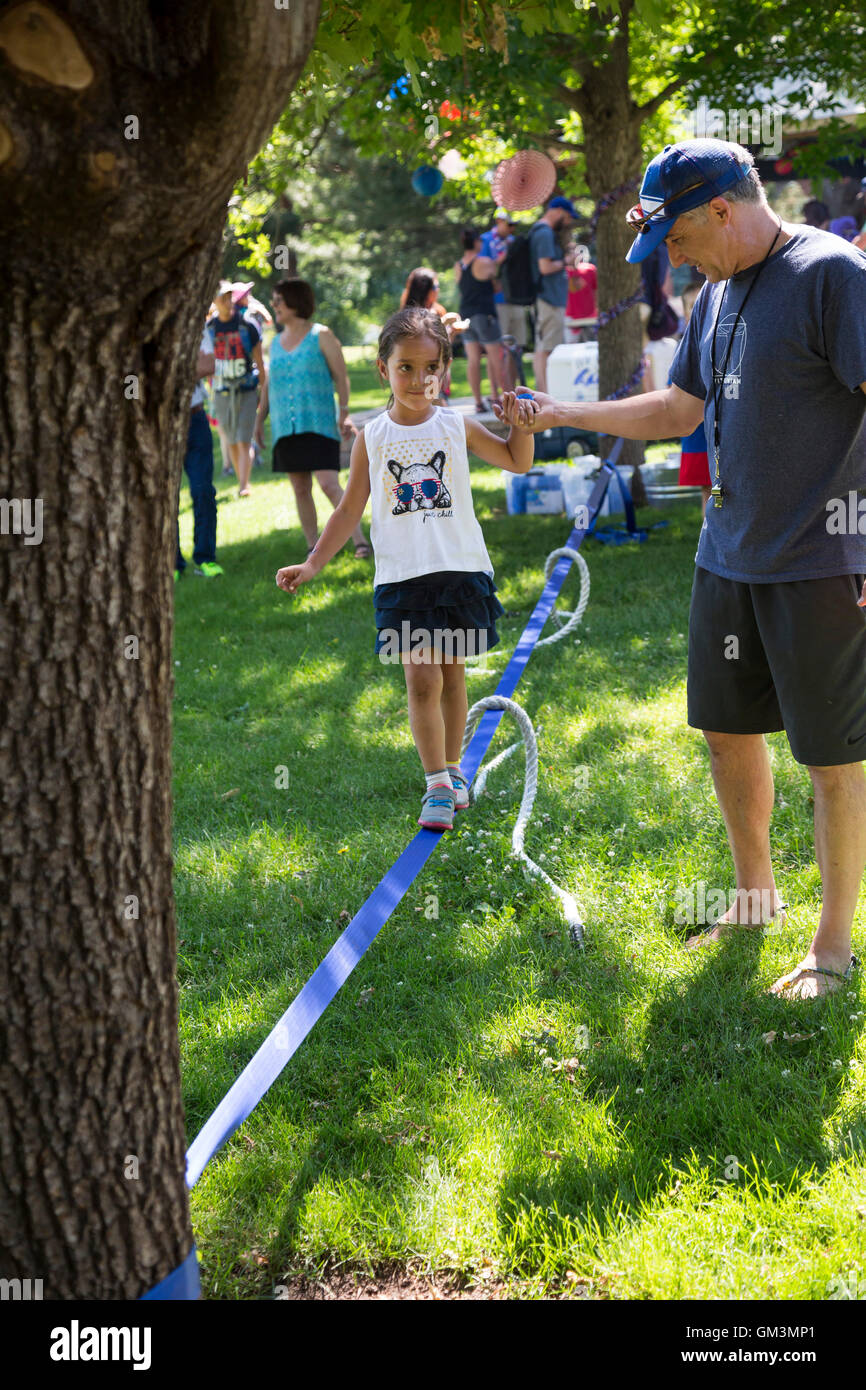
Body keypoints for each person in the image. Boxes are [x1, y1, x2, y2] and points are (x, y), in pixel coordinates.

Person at [500, 137, 866, 1000]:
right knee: (726, 731)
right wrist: (562, 411)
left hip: (822, 558)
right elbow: (678, 407)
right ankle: (753, 897)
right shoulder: (716, 290)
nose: (670, 254)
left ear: (720, 210)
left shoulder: (834, 275)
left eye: (675, 236)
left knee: (832, 758)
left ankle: (833, 948)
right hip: (727, 554)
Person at [274, 306, 535, 830]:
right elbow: (349, 508)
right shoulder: (371, 438)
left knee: (453, 675)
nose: (419, 380)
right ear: (383, 369)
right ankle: (436, 782)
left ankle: (456, 769)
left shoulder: (456, 425)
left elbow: (517, 461)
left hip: (458, 569)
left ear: (445, 369)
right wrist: (312, 563)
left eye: (430, 367)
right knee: (421, 679)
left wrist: (523, 426)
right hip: (402, 578)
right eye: (406, 368)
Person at [256, 277, 370, 558]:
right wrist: (259, 421)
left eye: (278, 300)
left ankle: (360, 542)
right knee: (300, 488)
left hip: (319, 423)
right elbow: (270, 385)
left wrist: (344, 412)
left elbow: (341, 377)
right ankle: (313, 548)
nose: (274, 306)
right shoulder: (276, 344)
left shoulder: (322, 335)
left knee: (329, 484)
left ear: (295, 302)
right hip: (286, 427)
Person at [207, 280, 265, 497]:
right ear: (214, 301)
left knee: (243, 438)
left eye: (229, 296)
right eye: (222, 297)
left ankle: (244, 484)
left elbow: (259, 362)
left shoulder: (247, 326)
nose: (227, 301)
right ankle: (240, 477)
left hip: (247, 390)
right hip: (221, 392)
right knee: (230, 439)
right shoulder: (210, 328)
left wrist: (263, 392)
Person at [175, 324, 223, 580]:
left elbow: (208, 365)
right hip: (157, 425)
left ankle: (205, 558)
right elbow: (131, 380)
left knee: (202, 490)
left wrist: (162, 373)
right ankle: (171, 563)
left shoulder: (193, 322)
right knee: (163, 495)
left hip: (195, 420)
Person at [529, 195, 577, 391]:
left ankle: (546, 390)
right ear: (557, 211)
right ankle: (546, 391)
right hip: (547, 298)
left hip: (548, 297)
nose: (567, 222)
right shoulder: (544, 233)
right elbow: (545, 267)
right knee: (546, 348)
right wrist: (567, 261)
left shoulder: (542, 232)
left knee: (545, 346)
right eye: (566, 217)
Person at [455, 227, 505, 413]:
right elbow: (497, 287)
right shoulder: (484, 262)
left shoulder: (458, 265)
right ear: (476, 242)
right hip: (485, 315)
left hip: (466, 316)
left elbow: (462, 289)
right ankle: (502, 397)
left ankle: (478, 402)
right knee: (495, 357)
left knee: (473, 360)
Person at [399, 267, 468, 401]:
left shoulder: (438, 310)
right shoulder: (410, 316)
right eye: (435, 287)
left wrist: (452, 332)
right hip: (425, 375)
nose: (438, 290)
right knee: (435, 410)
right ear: (424, 290)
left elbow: (444, 346)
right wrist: (444, 323)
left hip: (441, 370)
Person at [565, 243, 597, 342]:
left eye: (575, 250)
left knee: (591, 345)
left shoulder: (590, 269)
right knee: (570, 348)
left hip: (590, 317)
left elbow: (597, 290)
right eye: (570, 251)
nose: (573, 253)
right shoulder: (562, 272)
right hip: (569, 318)